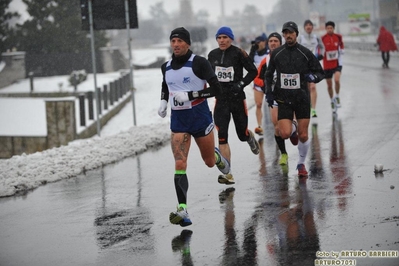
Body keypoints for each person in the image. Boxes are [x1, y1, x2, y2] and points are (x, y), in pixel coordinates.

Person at [158, 27, 230, 227]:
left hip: (199, 117)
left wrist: (191, 95)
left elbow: (218, 90)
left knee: (208, 162)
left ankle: (216, 156)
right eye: (173, 41)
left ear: (187, 44)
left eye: (180, 41)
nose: (176, 45)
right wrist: (164, 101)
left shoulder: (199, 63)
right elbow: (165, 86)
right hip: (179, 121)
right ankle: (182, 209)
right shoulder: (166, 67)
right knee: (180, 163)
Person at [265, 21, 325, 178]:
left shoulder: (305, 52)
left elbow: (320, 72)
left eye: (291, 32)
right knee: (284, 133)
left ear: (296, 34)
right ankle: (293, 127)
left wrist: (313, 77)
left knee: (303, 135)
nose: (288, 35)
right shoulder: (277, 53)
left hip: (301, 99)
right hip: (284, 99)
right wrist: (269, 93)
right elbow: (268, 74)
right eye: (285, 32)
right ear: (283, 35)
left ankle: (301, 164)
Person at [208, 26, 259, 185]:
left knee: (241, 135)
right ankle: (228, 174)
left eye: (225, 37)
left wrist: (241, 84)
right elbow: (208, 75)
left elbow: (253, 71)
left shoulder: (239, 53)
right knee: (222, 137)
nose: (222, 40)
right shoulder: (212, 55)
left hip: (237, 99)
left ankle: (249, 137)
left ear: (231, 38)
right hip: (221, 100)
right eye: (219, 38)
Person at [254, 32, 295, 166]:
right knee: (276, 126)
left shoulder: (288, 56)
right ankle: (283, 153)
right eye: (270, 41)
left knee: (289, 129)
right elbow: (258, 77)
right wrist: (266, 87)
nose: (272, 43)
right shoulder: (265, 60)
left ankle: (294, 130)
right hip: (275, 98)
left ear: (280, 43)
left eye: (275, 41)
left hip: (290, 96)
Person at [298, 19, 325, 118]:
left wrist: (321, 55)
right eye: (307, 25)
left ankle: (313, 109)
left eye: (310, 25)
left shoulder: (316, 37)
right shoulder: (300, 38)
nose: (309, 27)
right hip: (303, 65)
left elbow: (322, 47)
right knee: (305, 87)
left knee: (313, 86)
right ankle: (306, 106)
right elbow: (296, 49)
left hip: (313, 65)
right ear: (304, 27)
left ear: (312, 27)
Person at [321, 21, 344, 113]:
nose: (330, 30)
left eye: (331, 28)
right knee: (329, 85)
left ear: (333, 29)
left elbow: (341, 46)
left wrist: (341, 51)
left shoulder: (338, 37)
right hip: (327, 65)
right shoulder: (322, 38)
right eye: (328, 28)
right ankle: (332, 100)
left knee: (337, 80)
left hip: (337, 63)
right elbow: (319, 49)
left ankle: (337, 96)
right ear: (326, 29)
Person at [249, 34, 269, 135]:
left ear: (264, 42)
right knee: (259, 104)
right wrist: (252, 51)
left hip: (269, 82)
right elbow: (248, 63)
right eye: (256, 42)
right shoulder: (254, 54)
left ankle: (277, 123)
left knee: (273, 105)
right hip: (258, 83)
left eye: (259, 42)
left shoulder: (269, 53)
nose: (257, 44)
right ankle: (260, 126)